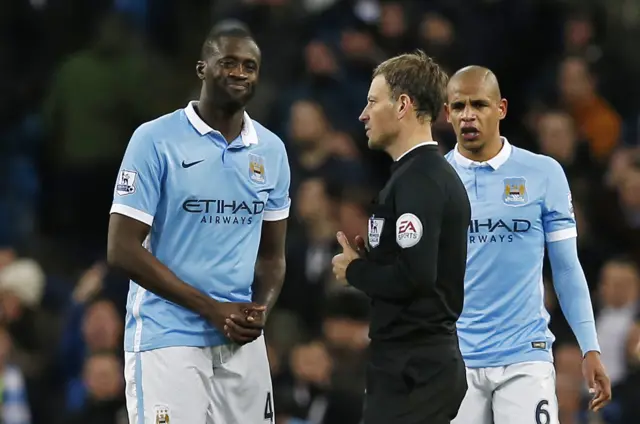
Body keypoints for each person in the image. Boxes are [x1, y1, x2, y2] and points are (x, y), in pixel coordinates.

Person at [106, 24, 290, 423]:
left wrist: (260, 312)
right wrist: (210, 309)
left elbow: (273, 257)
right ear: (202, 69)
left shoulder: (272, 150)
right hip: (167, 335)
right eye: (228, 63)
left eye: (250, 66)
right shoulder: (154, 139)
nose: (240, 73)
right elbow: (120, 249)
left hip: (238, 339)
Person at [443, 65, 612, 424]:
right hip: (453, 358)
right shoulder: (434, 180)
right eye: (458, 107)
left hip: (525, 355)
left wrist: (590, 347)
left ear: (501, 109)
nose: (468, 115)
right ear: (446, 114)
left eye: (479, 104)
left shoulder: (544, 173)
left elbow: (566, 268)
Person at [331, 50, 471, 424]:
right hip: (409, 366)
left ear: (403, 105)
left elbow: (415, 276)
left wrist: (356, 271)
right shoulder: (412, 176)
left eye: (373, 102)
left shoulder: (420, 180)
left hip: (417, 369)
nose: (363, 114)